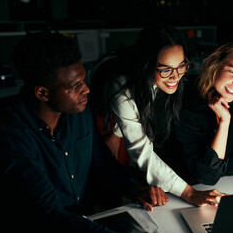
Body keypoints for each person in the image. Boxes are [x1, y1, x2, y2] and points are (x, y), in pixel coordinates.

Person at [0, 30, 169, 233]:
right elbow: (49, 215)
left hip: (81, 223)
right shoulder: (10, 136)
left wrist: (136, 188)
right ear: (42, 93)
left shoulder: (77, 112)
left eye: (83, 80)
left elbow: (102, 164)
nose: (87, 89)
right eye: (75, 85)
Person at [90, 23, 224, 207]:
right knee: (106, 188)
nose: (176, 77)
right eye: (166, 69)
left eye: (181, 66)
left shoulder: (162, 77)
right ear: (147, 65)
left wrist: (118, 132)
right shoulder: (122, 88)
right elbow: (142, 152)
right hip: (100, 119)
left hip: (120, 120)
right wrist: (188, 193)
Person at [160, 35, 233, 185]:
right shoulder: (186, 102)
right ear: (216, 66)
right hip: (185, 189)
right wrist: (224, 122)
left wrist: (218, 167)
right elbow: (206, 177)